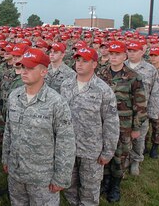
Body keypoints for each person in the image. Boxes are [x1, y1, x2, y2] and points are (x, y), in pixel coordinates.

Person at [2, 48, 76, 206]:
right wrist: (6, 158)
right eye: (23, 67)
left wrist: (61, 177)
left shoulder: (56, 102)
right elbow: (9, 131)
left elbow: (66, 142)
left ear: (44, 72)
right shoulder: (14, 96)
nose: (24, 71)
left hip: (42, 178)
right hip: (16, 172)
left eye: (30, 68)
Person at [61, 47, 119, 206]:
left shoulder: (103, 90)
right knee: (69, 185)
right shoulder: (66, 85)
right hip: (68, 147)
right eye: (77, 60)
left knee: (90, 188)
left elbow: (111, 123)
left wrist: (108, 151)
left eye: (84, 61)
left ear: (94, 64)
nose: (79, 64)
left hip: (91, 150)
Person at [97, 41, 147, 203]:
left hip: (123, 125)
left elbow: (140, 105)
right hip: (103, 123)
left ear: (124, 56)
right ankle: (104, 182)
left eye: (117, 54)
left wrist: (136, 127)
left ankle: (115, 186)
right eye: (111, 54)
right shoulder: (101, 73)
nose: (113, 57)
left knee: (120, 155)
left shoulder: (133, 77)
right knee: (104, 152)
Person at [125, 41, 159, 175]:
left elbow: (155, 93)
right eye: (129, 50)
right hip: (124, 110)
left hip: (141, 111)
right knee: (124, 137)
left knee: (139, 138)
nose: (131, 53)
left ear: (142, 52)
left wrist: (152, 114)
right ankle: (126, 157)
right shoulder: (123, 66)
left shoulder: (150, 69)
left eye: (135, 51)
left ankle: (136, 160)